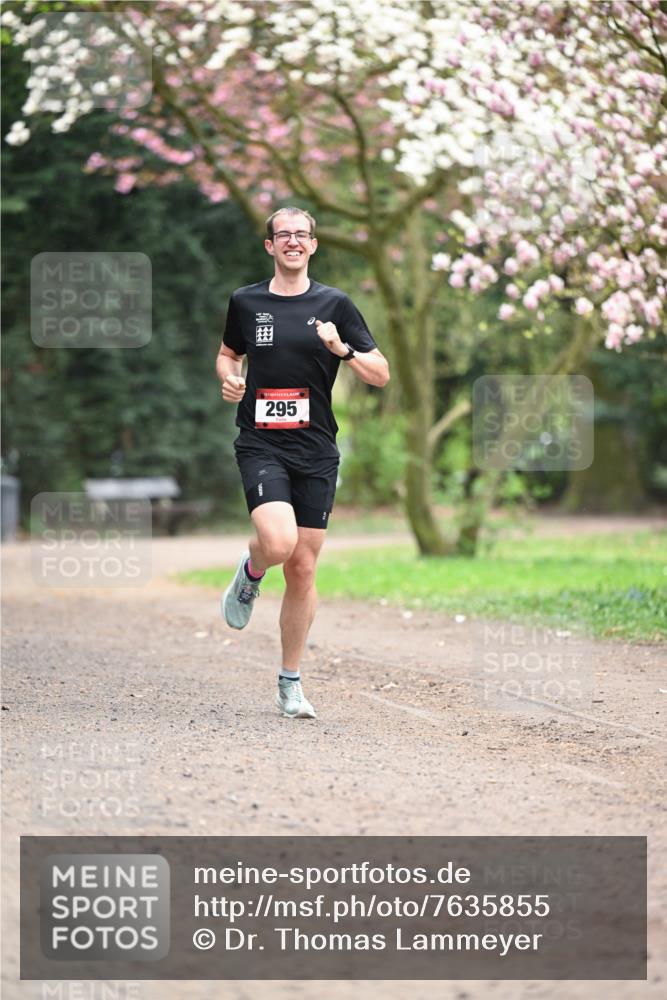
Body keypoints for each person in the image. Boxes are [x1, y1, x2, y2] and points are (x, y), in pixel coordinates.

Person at [216, 206, 389, 720]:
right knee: (278, 543)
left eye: (301, 235)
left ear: (313, 245)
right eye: (282, 235)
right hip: (261, 442)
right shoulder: (246, 301)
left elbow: (380, 373)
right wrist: (229, 378)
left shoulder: (335, 304)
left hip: (316, 448)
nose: (292, 241)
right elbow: (228, 353)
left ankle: (290, 683)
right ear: (269, 245)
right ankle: (250, 572)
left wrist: (343, 350)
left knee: (303, 567)